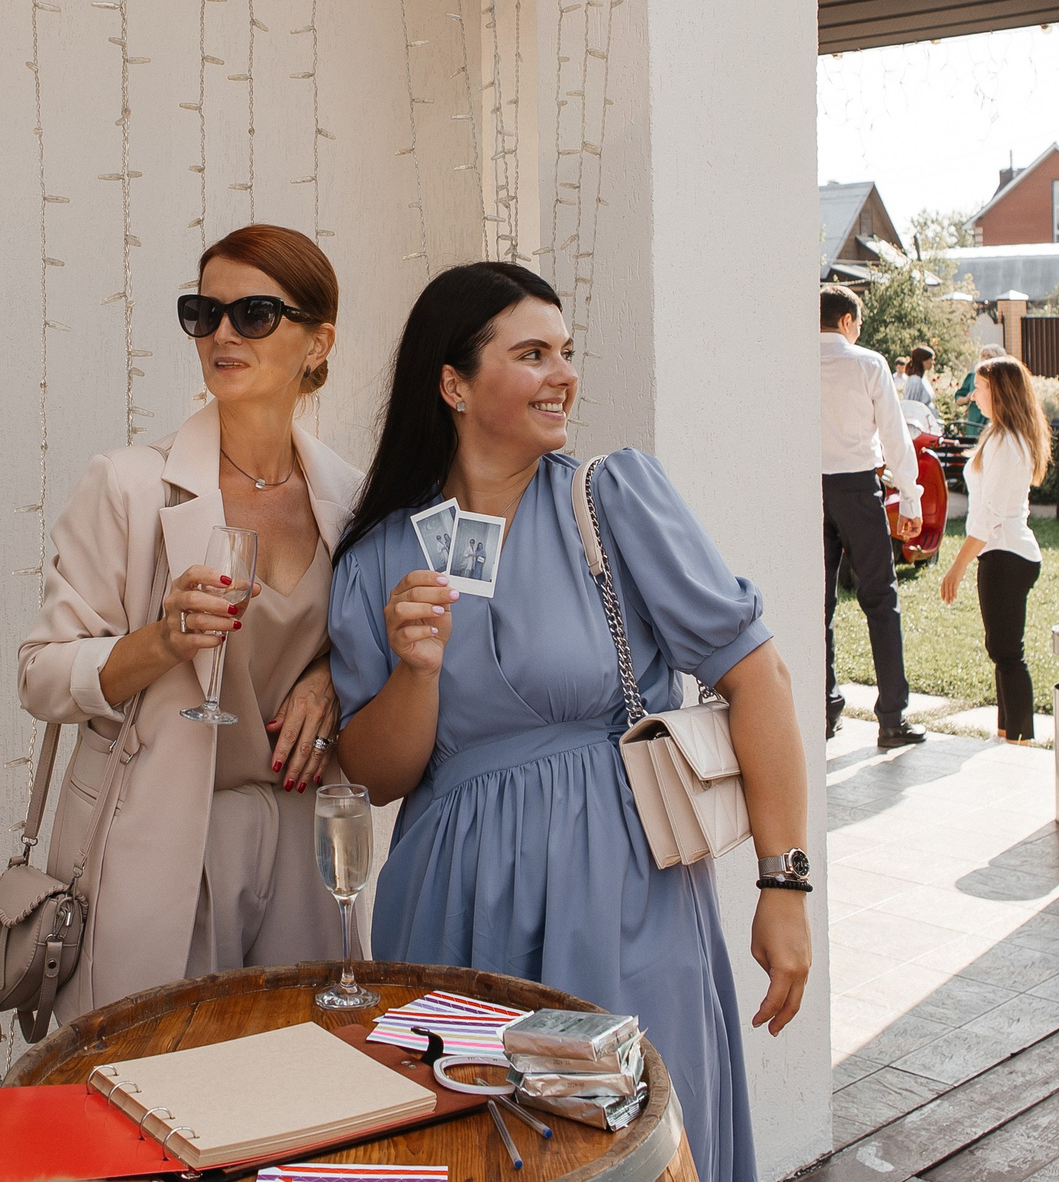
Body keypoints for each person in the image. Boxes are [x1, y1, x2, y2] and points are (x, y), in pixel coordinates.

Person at [329, 262, 812, 1182]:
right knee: (471, 1153)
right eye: (532, 353)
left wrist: (783, 885)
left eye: (566, 352)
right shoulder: (382, 552)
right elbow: (379, 772)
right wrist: (414, 669)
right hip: (452, 901)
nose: (563, 374)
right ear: (454, 382)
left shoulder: (611, 497)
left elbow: (761, 677)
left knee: (630, 1151)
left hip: (622, 887)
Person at [16, 224, 362, 1018]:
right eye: (203, 313)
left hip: (309, 844)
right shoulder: (131, 485)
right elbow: (41, 674)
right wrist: (161, 641)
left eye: (254, 314)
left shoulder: (352, 497)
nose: (222, 334)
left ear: (318, 342)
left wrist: (335, 677)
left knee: (301, 1082)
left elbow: (366, 643)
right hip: (169, 834)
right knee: (161, 1094)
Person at [818, 284, 925, 746]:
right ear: (846, 321)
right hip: (859, 488)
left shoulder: (791, 363)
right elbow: (895, 437)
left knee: (816, 607)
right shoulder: (868, 363)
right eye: (857, 323)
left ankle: (823, 709)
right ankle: (892, 718)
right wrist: (912, 497)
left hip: (808, 492)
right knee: (881, 600)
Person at [936, 357, 1048, 743]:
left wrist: (957, 567)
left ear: (1000, 391)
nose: (975, 395)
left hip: (1007, 555)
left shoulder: (1008, 443)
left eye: (981, 388)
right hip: (1002, 554)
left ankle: (1020, 737)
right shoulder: (999, 436)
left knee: (1007, 653)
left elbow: (990, 517)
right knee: (1000, 649)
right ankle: (1007, 733)